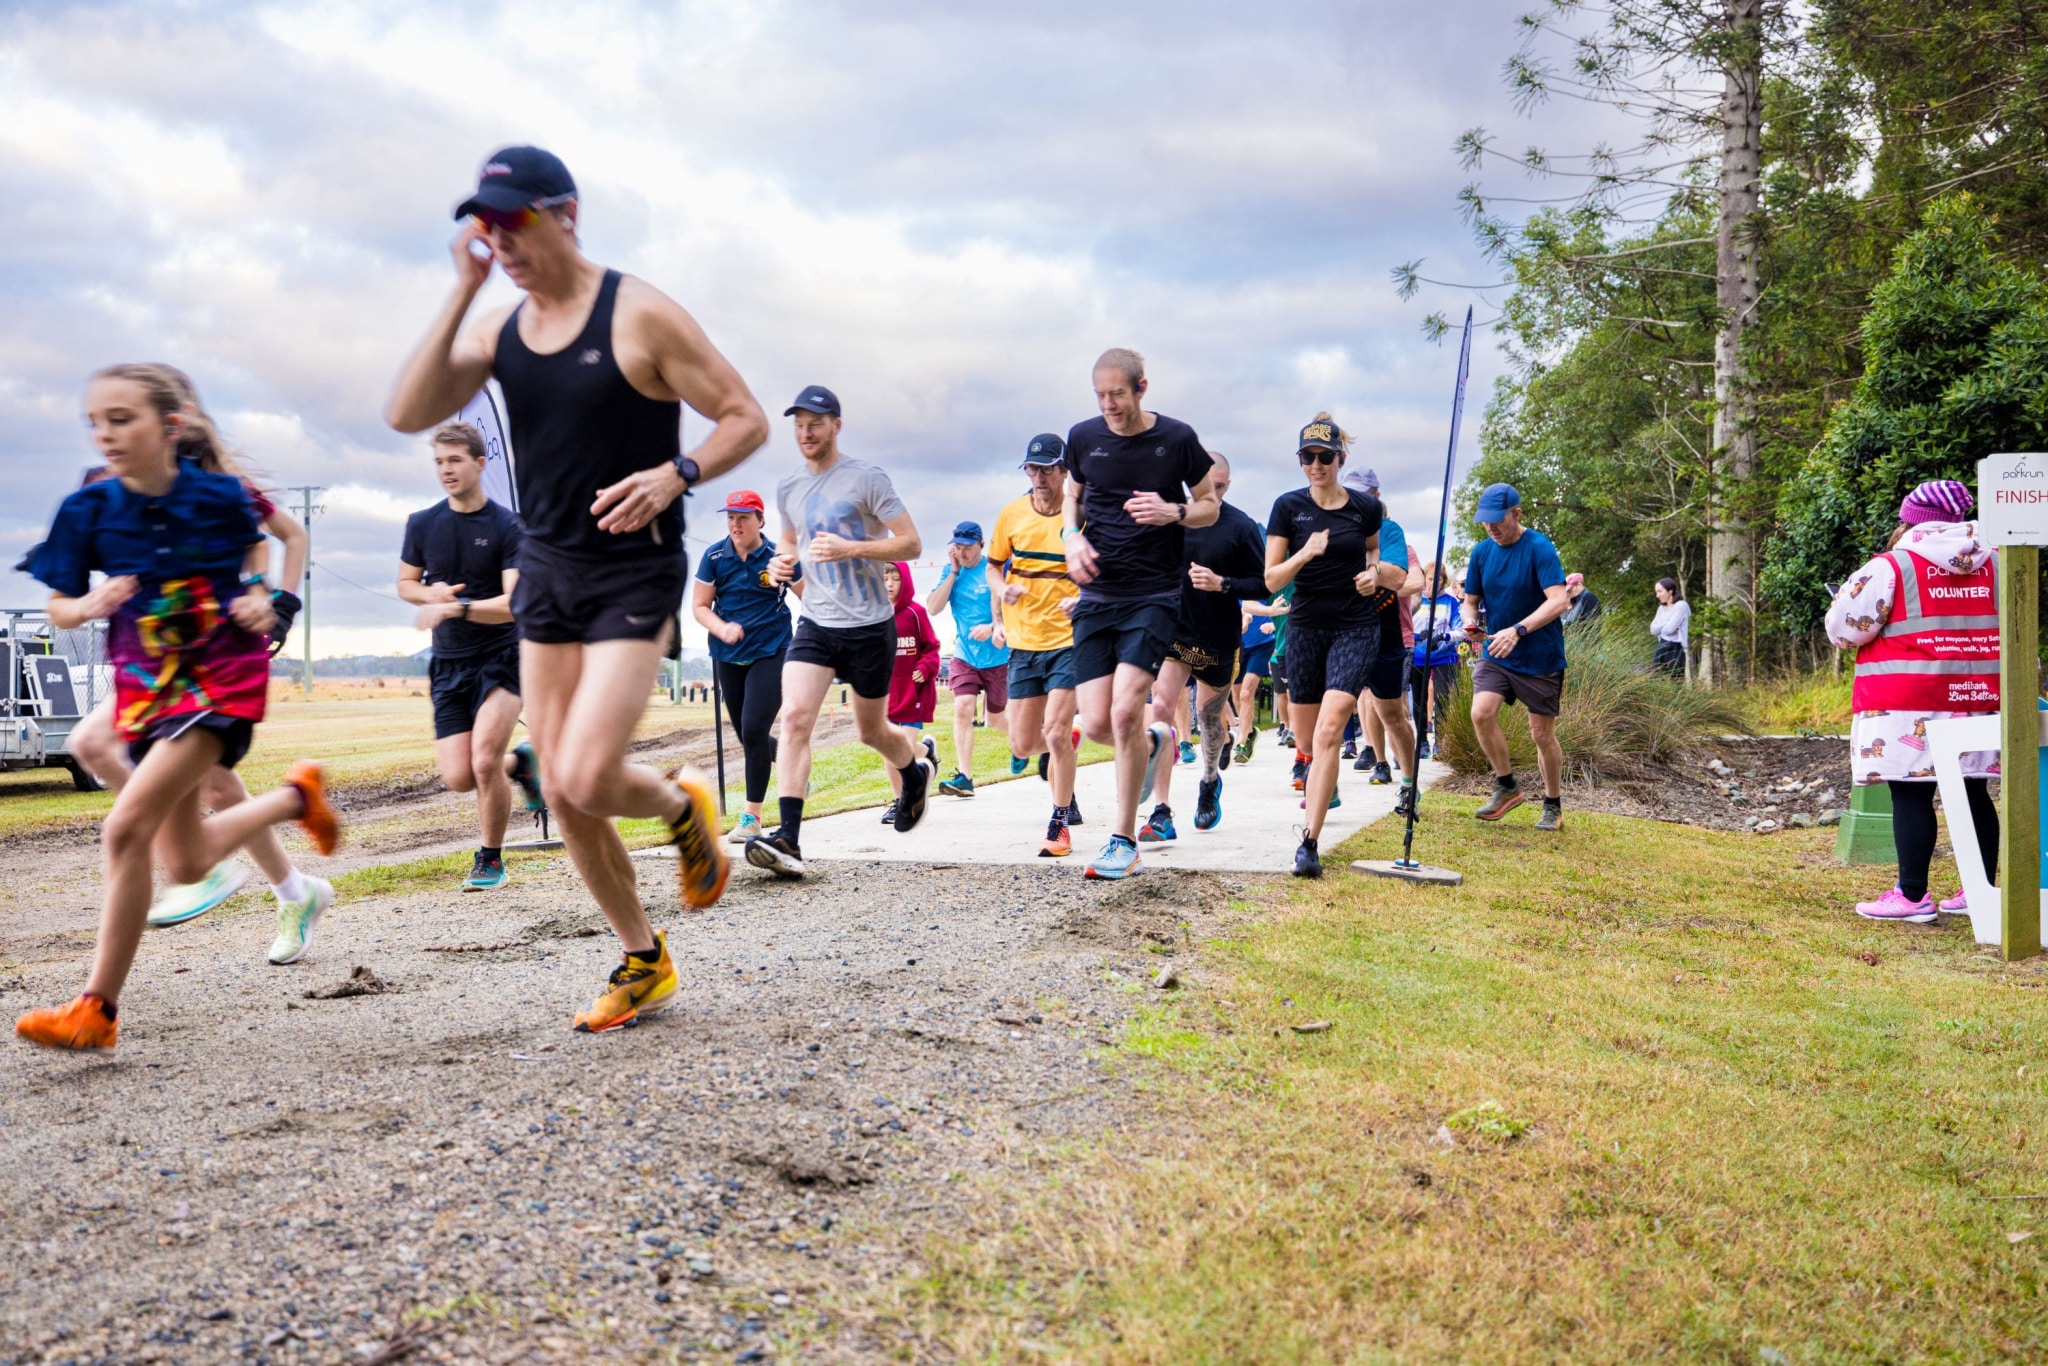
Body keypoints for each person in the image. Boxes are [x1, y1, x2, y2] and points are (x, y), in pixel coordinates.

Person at [386, 145, 767, 1034]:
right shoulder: (500, 326)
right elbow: (405, 412)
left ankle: (682, 806)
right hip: (549, 570)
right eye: (487, 225)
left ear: (568, 213)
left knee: (587, 770)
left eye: (515, 220)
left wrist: (679, 471)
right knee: (561, 791)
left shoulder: (638, 313)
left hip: (634, 567)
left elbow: (743, 415)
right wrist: (460, 292)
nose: (502, 240)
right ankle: (644, 958)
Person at [15, 366, 342, 1052]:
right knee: (187, 862)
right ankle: (293, 798)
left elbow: (265, 542)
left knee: (124, 831)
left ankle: (96, 1011)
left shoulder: (219, 493)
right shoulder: (88, 508)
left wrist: (263, 598)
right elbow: (60, 602)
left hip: (220, 678)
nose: (105, 433)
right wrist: (88, 605)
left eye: (121, 418)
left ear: (171, 423)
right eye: (95, 421)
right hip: (145, 687)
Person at [745, 385, 934, 877]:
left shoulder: (866, 479)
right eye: (799, 425)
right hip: (817, 623)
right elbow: (788, 539)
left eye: (816, 423)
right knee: (794, 721)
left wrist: (853, 549)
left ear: (836, 426)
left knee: (870, 730)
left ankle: (914, 773)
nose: (807, 433)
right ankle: (788, 838)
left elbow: (911, 543)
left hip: (870, 626)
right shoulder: (788, 487)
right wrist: (784, 561)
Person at [1061, 348, 1220, 880]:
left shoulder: (1175, 439)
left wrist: (1172, 510)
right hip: (1096, 596)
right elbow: (1072, 494)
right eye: (1100, 395)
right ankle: (1159, 741)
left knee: (1129, 710)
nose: (1109, 404)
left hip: (1153, 595)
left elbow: (1208, 505)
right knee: (1102, 723)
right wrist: (1069, 537)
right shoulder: (1083, 438)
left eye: (1118, 394)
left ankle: (1123, 839)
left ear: (1142, 388)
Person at [1827, 480, 2000, 922]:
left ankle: (1912, 896)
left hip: (1907, 699)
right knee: (1975, 790)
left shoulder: (1890, 567)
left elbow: (1846, 629)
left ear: (1912, 520)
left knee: (1911, 795)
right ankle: (1976, 891)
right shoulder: (1998, 562)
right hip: (1977, 695)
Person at [398, 421, 543, 892]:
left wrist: (455, 606)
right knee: (461, 776)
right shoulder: (422, 524)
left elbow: (511, 606)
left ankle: (490, 858)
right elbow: (405, 584)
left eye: (455, 460)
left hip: (503, 655)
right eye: (439, 461)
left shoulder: (508, 526)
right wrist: (427, 595)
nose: (446, 469)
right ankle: (520, 766)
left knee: (482, 760)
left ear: (480, 464)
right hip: (448, 663)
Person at [1265, 414, 1384, 877]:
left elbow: (1372, 551)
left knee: (1332, 729)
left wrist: (1373, 573)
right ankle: (1320, 781)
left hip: (1356, 625)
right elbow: (1271, 578)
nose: (1316, 465)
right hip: (1307, 627)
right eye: (1307, 458)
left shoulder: (1365, 508)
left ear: (1341, 458)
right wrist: (1305, 552)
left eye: (1324, 457)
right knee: (1310, 739)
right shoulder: (1287, 508)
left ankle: (1310, 844)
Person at [1141, 451, 1265, 839]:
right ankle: (1161, 811)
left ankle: (1209, 780)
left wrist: (1223, 584)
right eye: (1207, 484)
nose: (1214, 490)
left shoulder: (1241, 527)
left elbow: (1264, 583)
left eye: (1222, 485)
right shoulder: (1172, 519)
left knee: (1208, 717)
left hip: (1218, 639)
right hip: (1174, 632)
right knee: (1161, 705)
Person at [988, 433, 1084, 856]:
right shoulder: (1011, 515)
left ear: (1065, 470)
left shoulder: (1082, 515)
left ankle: (1060, 823)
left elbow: (1103, 573)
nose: (1040, 476)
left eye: (1048, 468)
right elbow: (993, 567)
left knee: (1056, 732)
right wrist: (1002, 590)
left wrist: (1080, 598)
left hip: (1068, 639)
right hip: (1024, 641)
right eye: (1033, 468)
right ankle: (1066, 742)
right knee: (1023, 744)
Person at [1462, 483, 1570, 830]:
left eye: (1497, 520)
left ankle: (1552, 805)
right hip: (1497, 652)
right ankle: (1507, 786)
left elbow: (1559, 601)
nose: (1491, 528)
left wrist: (1519, 630)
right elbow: (1470, 600)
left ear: (1517, 514)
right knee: (1481, 712)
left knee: (1541, 735)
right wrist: (1469, 622)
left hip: (1539, 656)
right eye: (1485, 522)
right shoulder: (1481, 553)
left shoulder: (1539, 547)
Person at [693, 489, 797, 844]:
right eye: (731, 517)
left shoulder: (777, 557)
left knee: (753, 730)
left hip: (772, 650)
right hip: (728, 654)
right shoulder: (714, 556)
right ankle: (793, 763)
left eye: (743, 517)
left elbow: (809, 596)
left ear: (760, 520)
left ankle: (751, 818)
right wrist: (721, 628)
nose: (736, 524)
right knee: (745, 734)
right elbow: (700, 606)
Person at [1343, 467, 1423, 815]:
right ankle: (1372, 761)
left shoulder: (1394, 537)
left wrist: (1378, 577)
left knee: (1392, 711)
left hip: (1392, 633)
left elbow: (1411, 581)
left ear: (1376, 499)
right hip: (1344, 634)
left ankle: (1409, 783)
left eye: (1363, 495)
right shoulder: (1332, 531)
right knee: (1342, 707)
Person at [928, 521, 1010, 797]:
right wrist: (953, 573)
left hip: (999, 655)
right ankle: (965, 777)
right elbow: (933, 607)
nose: (961, 553)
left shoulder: (995, 569)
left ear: (981, 545)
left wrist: (993, 627)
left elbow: (1018, 608)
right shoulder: (951, 571)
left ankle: (1020, 747)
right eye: (957, 547)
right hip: (965, 655)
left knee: (996, 720)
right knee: (963, 707)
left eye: (967, 547)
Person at [880, 562, 942, 821]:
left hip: (914, 692)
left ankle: (909, 794)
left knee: (902, 747)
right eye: (886, 579)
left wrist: (925, 667)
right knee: (889, 750)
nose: (891, 584)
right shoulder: (873, 615)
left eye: (896, 579)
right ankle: (899, 801)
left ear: (905, 581)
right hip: (886, 696)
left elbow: (932, 648)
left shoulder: (916, 613)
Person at [1409, 562, 1463, 760]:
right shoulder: (1415, 600)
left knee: (1441, 697)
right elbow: (1404, 628)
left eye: (1438, 579)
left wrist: (1443, 637)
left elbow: (1461, 630)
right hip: (1418, 656)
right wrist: (1417, 637)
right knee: (1419, 700)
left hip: (1443, 655)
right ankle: (1421, 740)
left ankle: (1440, 741)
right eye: (1430, 578)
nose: (1434, 583)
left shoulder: (1451, 602)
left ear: (1444, 581)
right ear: (1424, 579)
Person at [1232, 595, 1284, 765]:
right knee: (1237, 696)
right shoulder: (1232, 582)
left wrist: (1273, 625)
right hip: (1238, 645)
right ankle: (1249, 731)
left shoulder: (1263, 581)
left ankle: (1242, 742)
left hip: (1263, 644)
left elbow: (1282, 607)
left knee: (1247, 693)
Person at [1649, 578, 1690, 678]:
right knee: (1655, 679)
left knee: (1675, 681)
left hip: (1676, 647)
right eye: (1656, 592)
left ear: (1670, 591)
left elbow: (1669, 629)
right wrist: (1669, 624)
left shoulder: (1681, 606)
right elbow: (1653, 630)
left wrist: (1665, 627)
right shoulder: (1661, 608)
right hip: (1661, 645)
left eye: (1660, 591)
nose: (1657, 595)